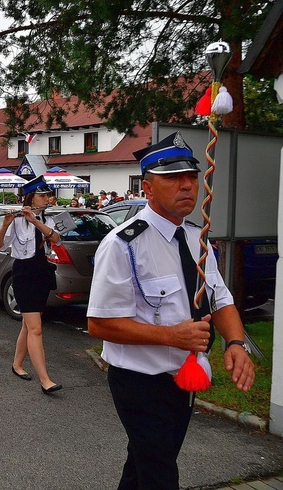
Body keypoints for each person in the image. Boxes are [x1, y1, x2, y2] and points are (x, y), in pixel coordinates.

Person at [87, 132, 255, 489]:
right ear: (147, 188)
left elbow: (221, 299)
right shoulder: (122, 245)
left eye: (192, 177)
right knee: (160, 473)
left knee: (144, 465)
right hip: (140, 383)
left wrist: (236, 343)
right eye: (173, 178)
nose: (187, 186)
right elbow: (99, 323)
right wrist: (170, 336)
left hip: (184, 380)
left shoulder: (197, 239)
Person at [0, 175, 62, 394]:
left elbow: (56, 238)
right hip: (23, 274)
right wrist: (4, 225)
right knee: (36, 328)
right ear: (30, 198)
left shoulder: (45, 219)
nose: (46, 199)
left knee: (29, 324)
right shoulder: (16, 220)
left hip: (41, 272)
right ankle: (45, 379)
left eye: (47, 195)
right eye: (42, 196)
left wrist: (35, 221)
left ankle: (17, 364)